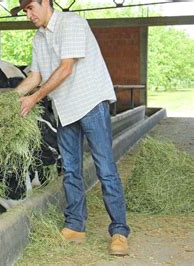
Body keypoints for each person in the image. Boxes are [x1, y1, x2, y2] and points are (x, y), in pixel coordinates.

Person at [11, 0, 130, 255]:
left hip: (89, 102)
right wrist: (9, 100)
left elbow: (66, 68)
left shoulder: (72, 23)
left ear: (45, 2)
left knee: (105, 167)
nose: (28, 14)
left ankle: (119, 231)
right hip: (65, 108)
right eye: (25, 11)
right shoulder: (38, 39)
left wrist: (33, 98)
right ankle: (75, 225)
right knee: (71, 169)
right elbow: (35, 76)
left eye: (31, 7)